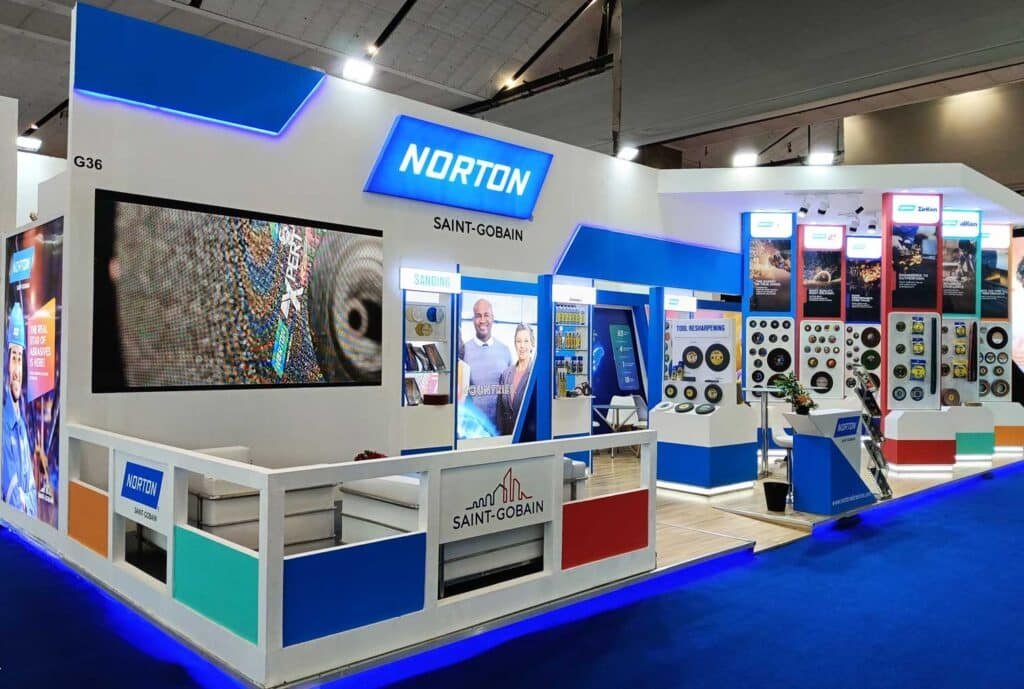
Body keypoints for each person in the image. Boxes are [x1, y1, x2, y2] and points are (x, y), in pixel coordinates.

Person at [3, 303, 38, 517]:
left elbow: (32, 491)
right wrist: (26, 500)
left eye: (19, 359)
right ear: (7, 364)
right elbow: (14, 501)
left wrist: (27, 500)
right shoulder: (4, 426)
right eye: (13, 358)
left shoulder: (22, 426)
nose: (17, 371)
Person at [461, 298, 512, 433]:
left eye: (486, 315)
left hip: (501, 431)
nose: (482, 320)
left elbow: (510, 393)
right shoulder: (463, 351)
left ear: (492, 318)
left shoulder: (505, 350)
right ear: (473, 320)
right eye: (478, 316)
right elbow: (460, 395)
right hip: (473, 432)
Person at [496, 324, 534, 435]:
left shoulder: (535, 373)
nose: (522, 346)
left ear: (532, 344)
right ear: (515, 345)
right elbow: (499, 410)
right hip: (507, 436)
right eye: (518, 341)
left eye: (526, 341)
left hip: (529, 436)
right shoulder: (505, 374)